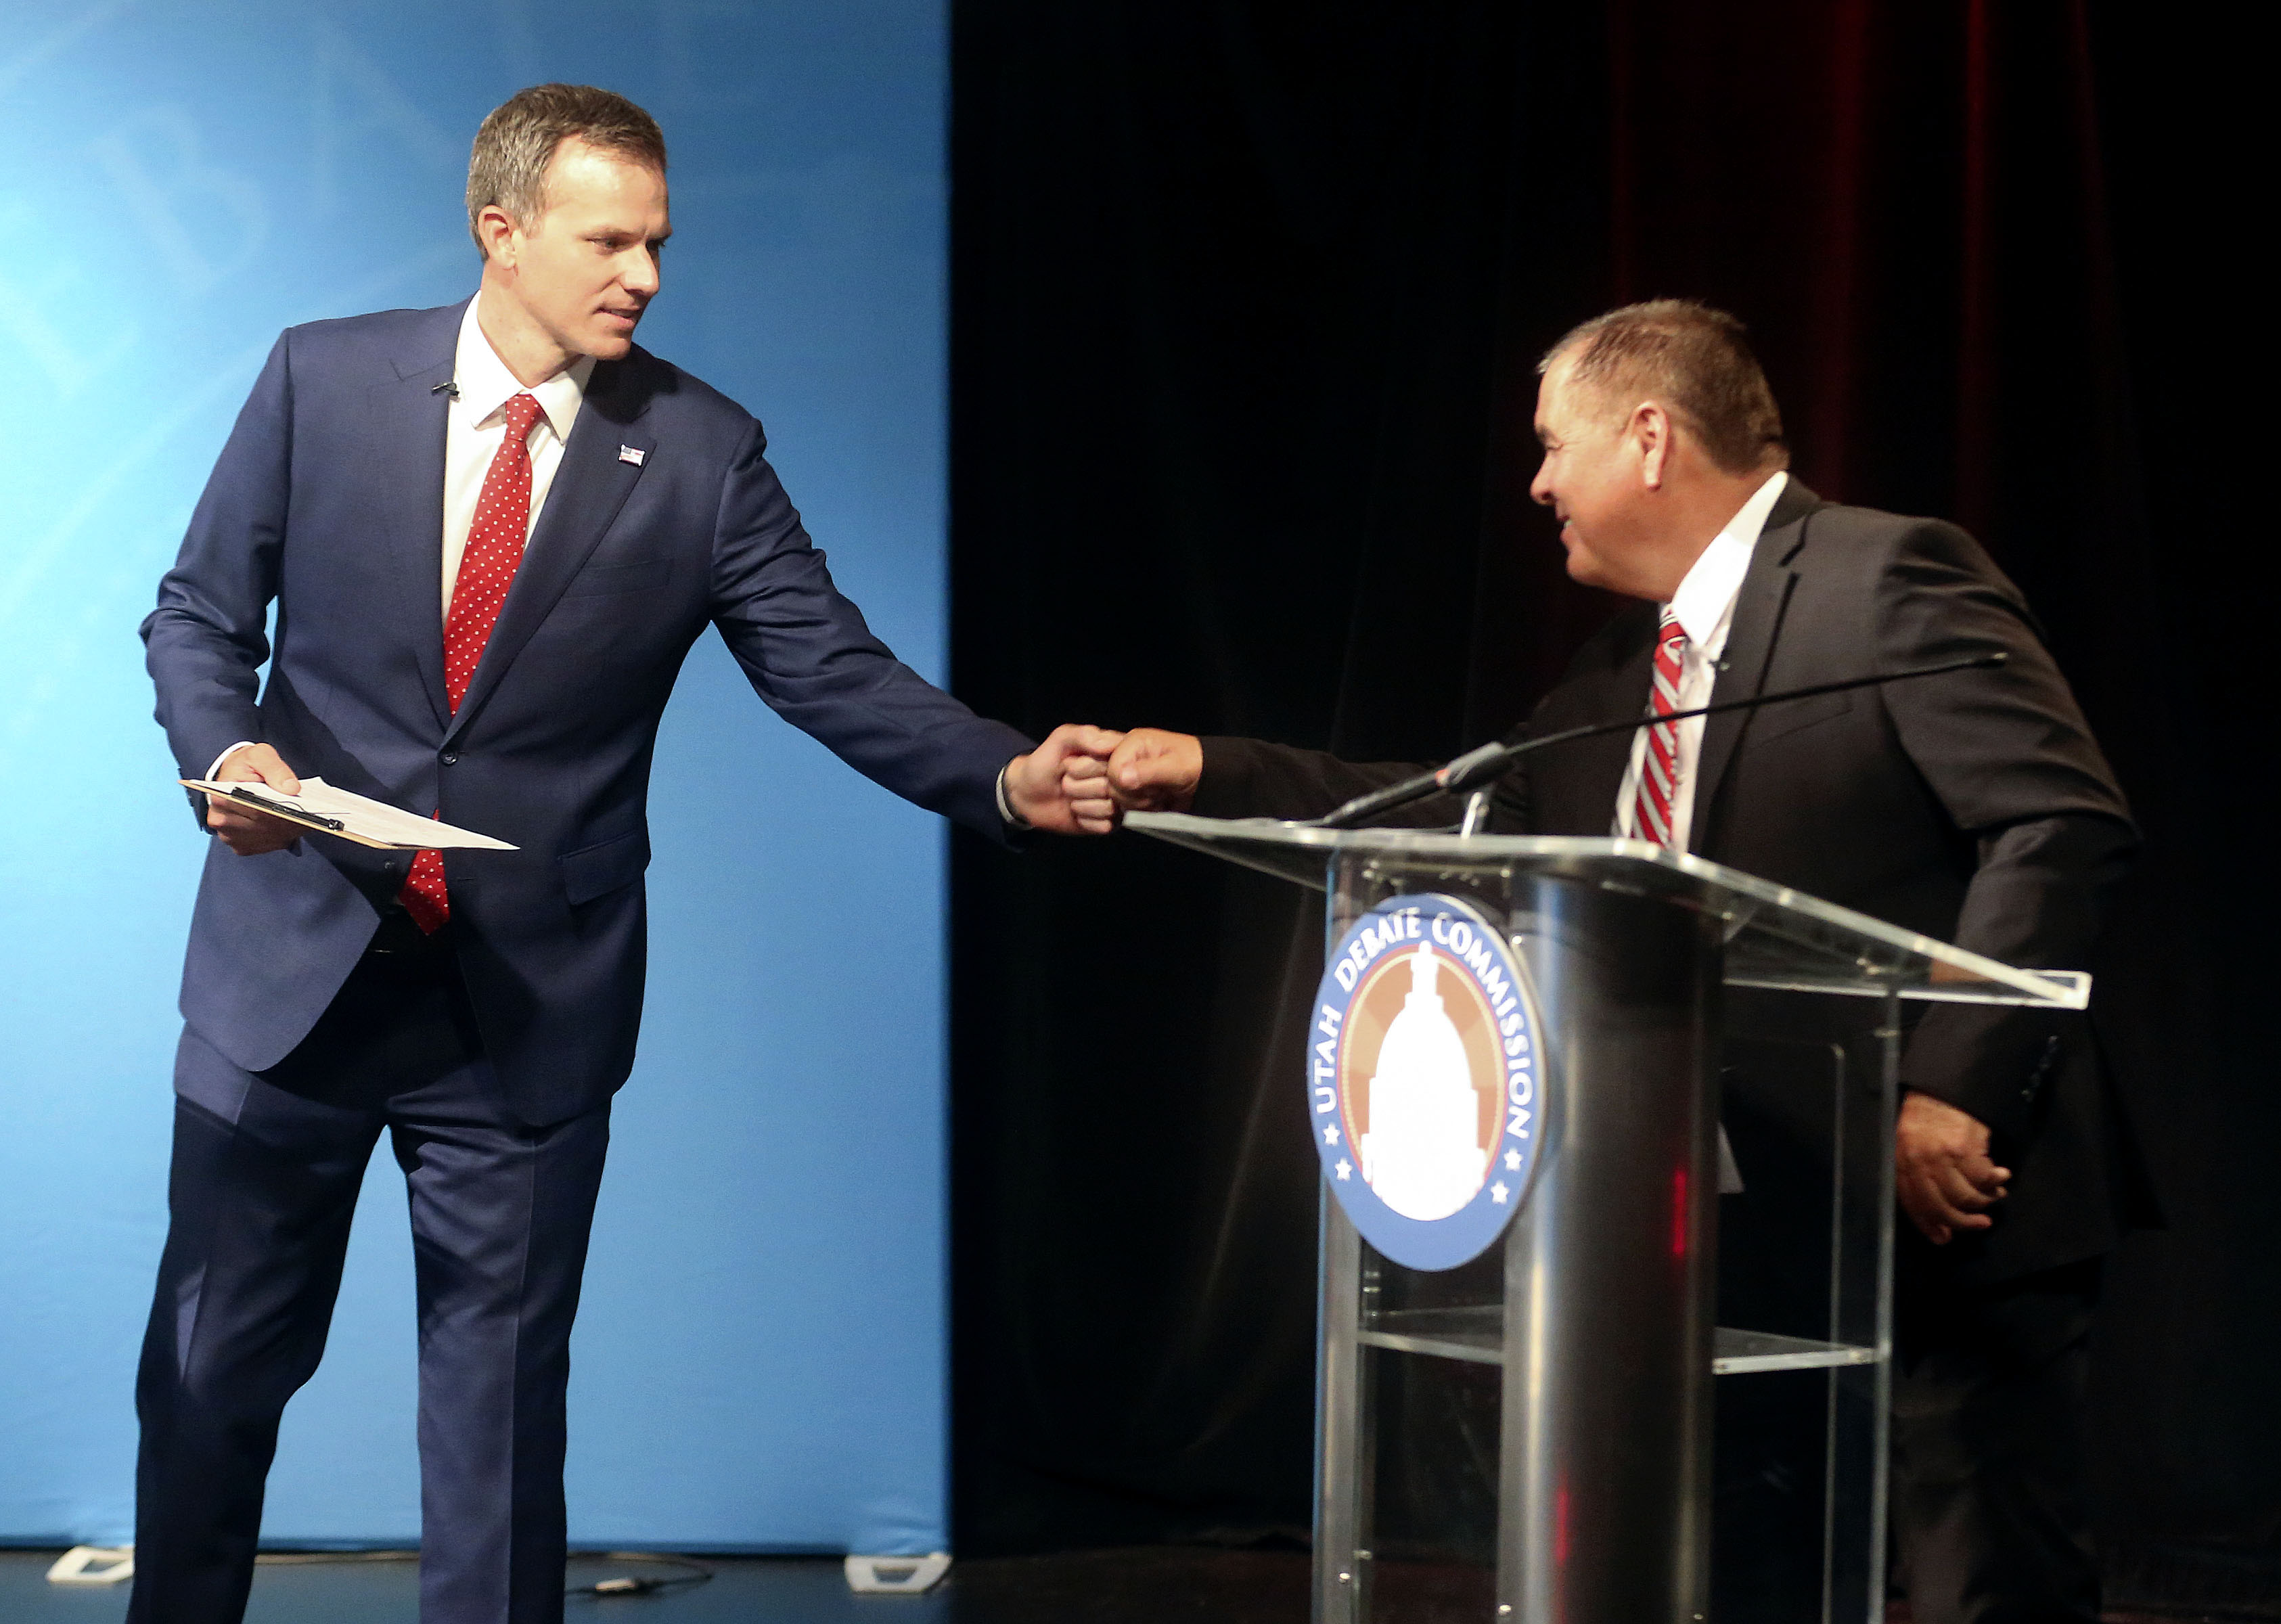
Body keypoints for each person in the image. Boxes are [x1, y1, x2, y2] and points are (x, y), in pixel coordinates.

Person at [135, 83, 1108, 1624]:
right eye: (610, 239)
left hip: (521, 1009)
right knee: (205, 1388)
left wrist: (999, 774)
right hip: (286, 983)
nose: (644, 275)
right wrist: (227, 754)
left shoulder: (706, 452)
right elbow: (197, 615)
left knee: (501, 1431)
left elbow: (829, 670)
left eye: (658, 242)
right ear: (501, 231)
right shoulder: (320, 382)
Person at [1068, 300, 2152, 1624]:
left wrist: (1958, 1084)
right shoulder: (1625, 666)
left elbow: (2057, 819)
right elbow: (1463, 811)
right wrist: (1209, 769)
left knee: (1987, 1580)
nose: (1536, 484)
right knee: (1768, 1578)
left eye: (1551, 445)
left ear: (1647, 437)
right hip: (1747, 1231)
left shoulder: (1886, 577)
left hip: (1945, 1202)